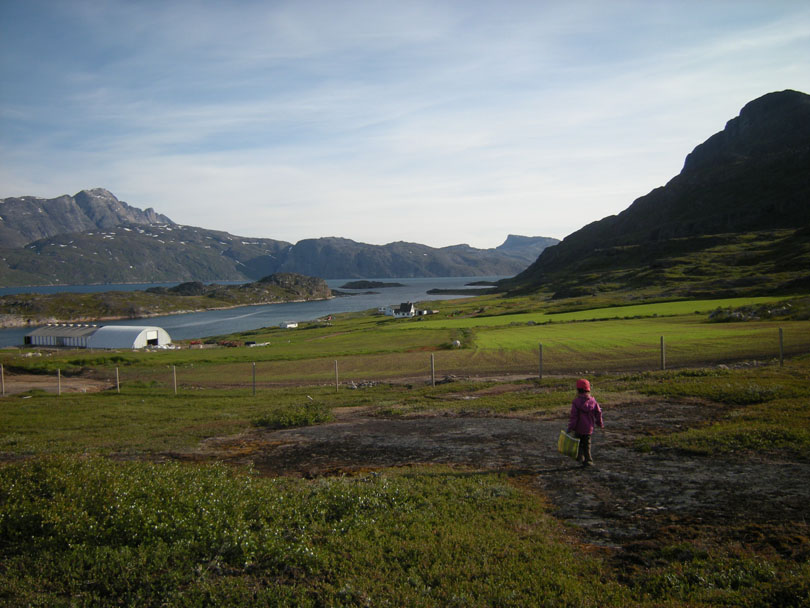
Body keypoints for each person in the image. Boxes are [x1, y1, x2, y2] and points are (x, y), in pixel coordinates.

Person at [567, 378, 604, 466]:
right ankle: (588, 460)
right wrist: (600, 423)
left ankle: (580, 457)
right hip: (588, 428)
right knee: (587, 445)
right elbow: (598, 413)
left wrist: (570, 427)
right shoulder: (593, 401)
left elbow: (574, 417)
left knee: (578, 443)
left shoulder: (576, 402)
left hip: (578, 428)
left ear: (578, 390)